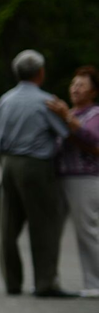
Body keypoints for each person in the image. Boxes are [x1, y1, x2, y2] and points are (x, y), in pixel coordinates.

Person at [0, 49, 73, 297]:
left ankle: (12, 283)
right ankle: (45, 282)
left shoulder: (5, 99)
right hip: (36, 165)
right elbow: (65, 133)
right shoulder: (45, 102)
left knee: (8, 225)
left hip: (8, 164)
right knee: (44, 224)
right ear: (40, 73)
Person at [49, 65, 99, 297]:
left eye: (81, 85)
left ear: (93, 91)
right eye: (73, 84)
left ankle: (95, 282)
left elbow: (91, 138)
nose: (75, 89)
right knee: (56, 231)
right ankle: (51, 280)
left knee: (88, 231)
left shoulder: (94, 114)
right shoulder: (72, 113)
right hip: (63, 177)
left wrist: (66, 118)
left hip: (84, 178)